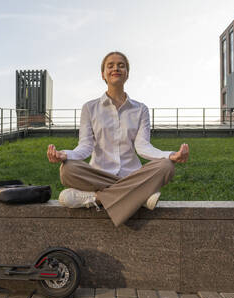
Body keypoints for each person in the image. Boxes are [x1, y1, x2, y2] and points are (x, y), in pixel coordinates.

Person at [47, 51, 189, 227]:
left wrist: (171, 155)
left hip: (132, 174)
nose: (116, 68)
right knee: (67, 170)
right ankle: (140, 196)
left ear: (127, 73)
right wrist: (65, 155)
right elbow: (85, 146)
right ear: (103, 74)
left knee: (166, 166)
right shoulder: (89, 108)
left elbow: (143, 146)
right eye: (111, 65)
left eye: (121, 65)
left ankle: (97, 198)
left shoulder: (141, 109)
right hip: (98, 174)